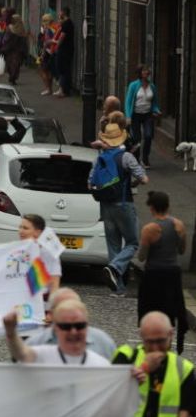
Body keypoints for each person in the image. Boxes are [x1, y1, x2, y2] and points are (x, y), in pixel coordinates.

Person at [93, 121, 148, 295]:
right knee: (132, 243)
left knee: (113, 245)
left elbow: (91, 182)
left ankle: (118, 289)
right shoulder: (126, 157)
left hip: (105, 206)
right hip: (124, 204)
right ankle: (114, 267)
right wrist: (135, 182)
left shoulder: (100, 158)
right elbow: (144, 178)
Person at [113, 311, 195, 417]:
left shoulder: (184, 368)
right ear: (141, 335)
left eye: (161, 341)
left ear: (171, 334)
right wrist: (145, 368)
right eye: (150, 342)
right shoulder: (126, 356)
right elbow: (110, 396)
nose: (155, 347)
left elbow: (185, 413)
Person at [138, 191, 188, 353]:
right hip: (173, 273)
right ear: (168, 206)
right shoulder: (179, 225)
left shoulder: (149, 229)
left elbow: (142, 256)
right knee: (171, 307)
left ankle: (150, 338)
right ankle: (171, 340)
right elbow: (181, 250)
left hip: (153, 274)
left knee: (150, 307)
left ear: (152, 208)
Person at [2, 300, 108, 365]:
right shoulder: (42, 355)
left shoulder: (102, 365)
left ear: (87, 326)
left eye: (79, 326)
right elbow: (21, 354)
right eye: (65, 327)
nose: (73, 332)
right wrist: (11, 332)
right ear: (55, 329)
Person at [24, 288, 117, 358]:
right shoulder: (34, 344)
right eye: (62, 308)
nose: (70, 311)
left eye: (75, 307)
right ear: (51, 314)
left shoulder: (103, 342)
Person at [17, 214, 63, 295]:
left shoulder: (47, 252)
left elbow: (54, 281)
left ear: (37, 232)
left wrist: (52, 305)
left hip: (39, 299)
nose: (20, 231)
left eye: (25, 228)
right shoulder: (22, 247)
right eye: (20, 227)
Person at [126, 64, 161, 168]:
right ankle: (136, 159)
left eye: (147, 70)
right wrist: (128, 116)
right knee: (137, 138)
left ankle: (145, 159)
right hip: (136, 115)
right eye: (144, 70)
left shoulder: (152, 86)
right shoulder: (133, 85)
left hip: (147, 115)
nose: (146, 72)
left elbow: (154, 103)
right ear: (140, 73)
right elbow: (128, 102)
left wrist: (157, 110)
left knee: (148, 136)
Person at [1, 14, 27, 85]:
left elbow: (24, 39)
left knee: (16, 64)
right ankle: (11, 76)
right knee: (10, 64)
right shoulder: (9, 27)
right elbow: (5, 38)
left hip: (17, 50)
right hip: (10, 50)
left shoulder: (21, 28)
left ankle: (13, 77)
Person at [55, 7, 75, 97]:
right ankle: (64, 89)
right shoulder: (69, 23)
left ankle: (62, 89)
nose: (59, 14)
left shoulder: (66, 24)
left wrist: (56, 46)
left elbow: (62, 37)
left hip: (64, 50)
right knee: (66, 69)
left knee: (62, 69)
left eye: (60, 12)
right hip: (69, 49)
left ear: (63, 12)